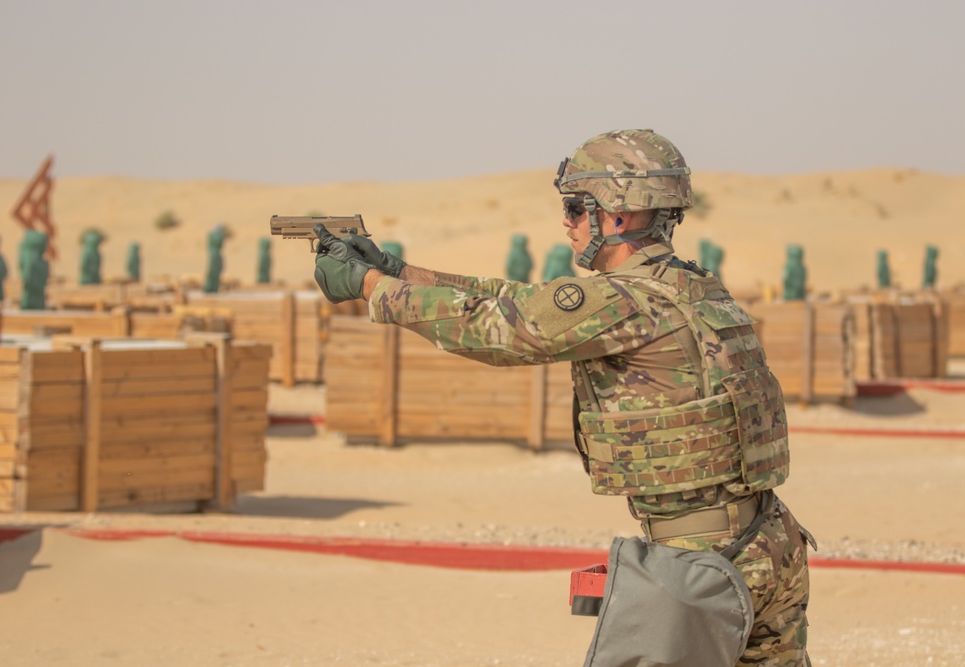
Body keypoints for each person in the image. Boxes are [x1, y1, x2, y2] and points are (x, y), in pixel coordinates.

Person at [311, 129, 813, 666]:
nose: (567, 224)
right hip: (767, 539)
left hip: (700, 559)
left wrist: (370, 288)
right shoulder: (694, 287)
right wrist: (395, 271)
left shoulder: (624, 300)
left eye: (577, 208)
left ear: (618, 217)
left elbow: (497, 327)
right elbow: (519, 299)